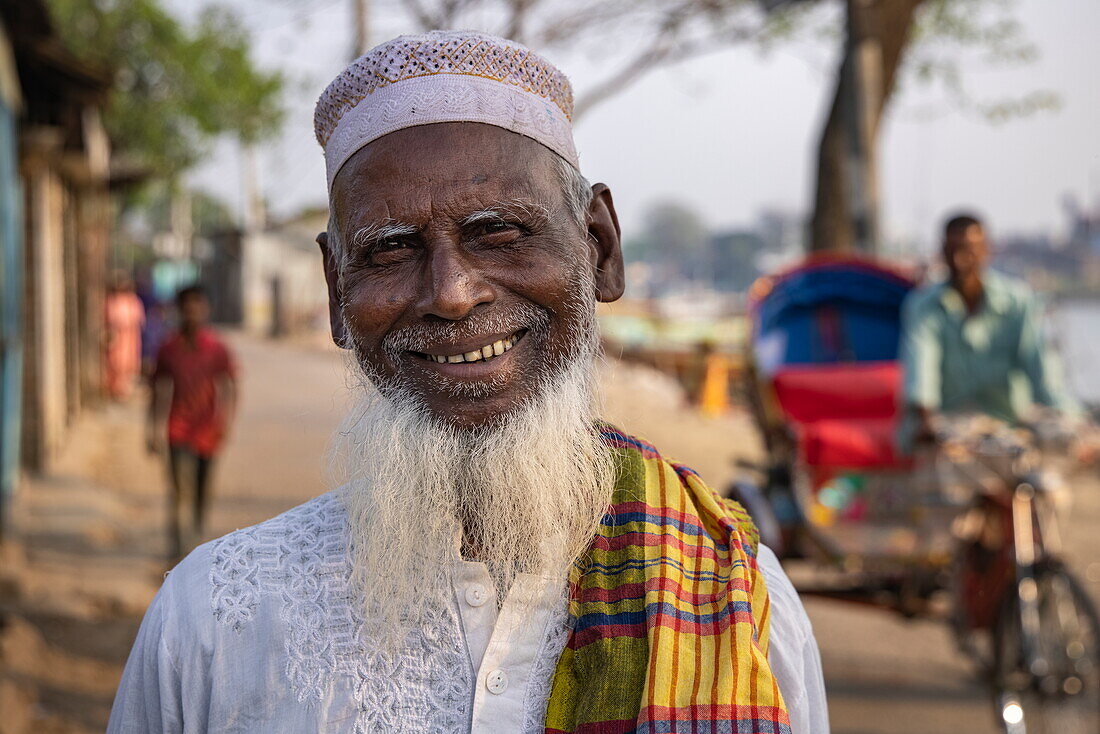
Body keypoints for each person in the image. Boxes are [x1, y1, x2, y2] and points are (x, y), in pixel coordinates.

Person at [110, 31, 826, 733]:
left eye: (501, 233)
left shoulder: (742, 599)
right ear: (335, 291)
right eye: (391, 249)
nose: (451, 293)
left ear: (599, 248)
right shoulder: (210, 621)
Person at [900, 213, 1078, 447]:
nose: (961, 260)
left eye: (969, 250)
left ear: (986, 251)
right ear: (942, 253)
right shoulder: (923, 306)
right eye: (953, 251)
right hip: (947, 427)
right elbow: (921, 369)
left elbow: (1041, 368)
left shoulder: (1017, 301)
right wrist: (926, 421)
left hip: (1009, 424)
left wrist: (1070, 419)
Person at [146, 285, 237, 562]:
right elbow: (157, 389)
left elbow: (230, 386)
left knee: (201, 492)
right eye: (187, 306)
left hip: (208, 432)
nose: (192, 312)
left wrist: (226, 422)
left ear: (205, 309)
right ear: (180, 310)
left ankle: (196, 546)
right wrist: (151, 429)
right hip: (178, 430)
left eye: (198, 305)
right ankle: (179, 552)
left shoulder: (217, 348)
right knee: (179, 492)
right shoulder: (168, 348)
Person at [104, 271, 146, 400]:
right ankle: (114, 389)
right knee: (114, 363)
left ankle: (123, 389)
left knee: (127, 364)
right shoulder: (111, 301)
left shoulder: (133, 301)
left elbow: (138, 320)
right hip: (116, 337)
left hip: (129, 338)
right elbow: (109, 319)